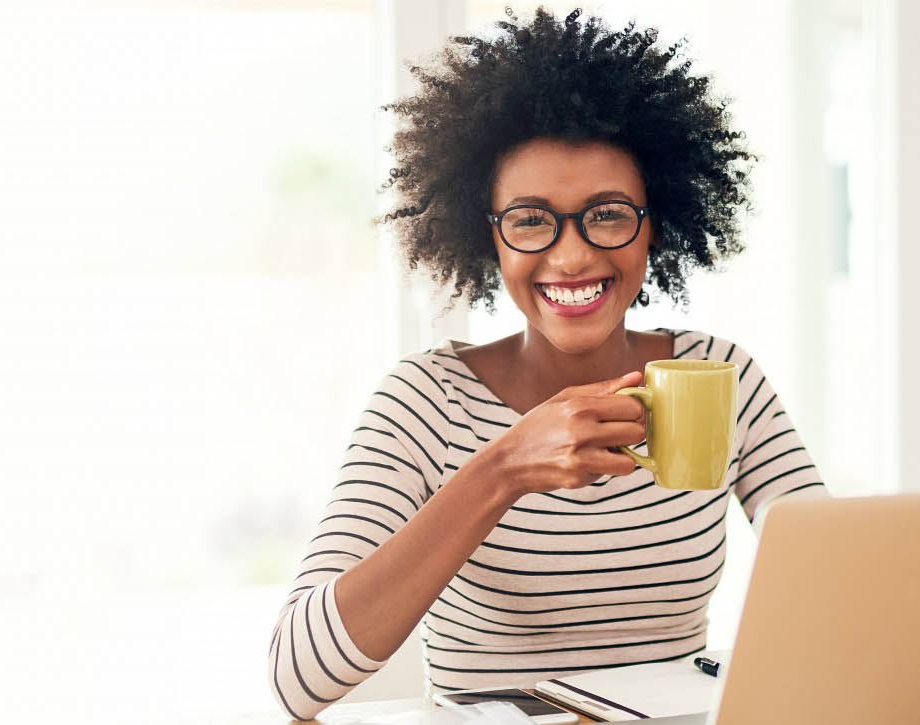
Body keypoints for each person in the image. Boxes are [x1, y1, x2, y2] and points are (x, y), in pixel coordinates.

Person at [266, 8, 830, 720]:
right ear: (489, 236)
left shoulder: (723, 375)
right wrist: (501, 468)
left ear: (654, 224)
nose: (572, 256)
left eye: (608, 213)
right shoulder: (426, 401)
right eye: (532, 219)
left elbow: (841, 591)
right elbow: (298, 678)